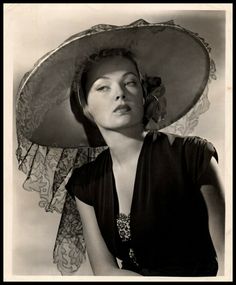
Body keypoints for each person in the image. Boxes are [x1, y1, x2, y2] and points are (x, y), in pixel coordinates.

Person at [15, 19, 225, 276]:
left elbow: (228, 256)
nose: (120, 94)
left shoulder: (193, 156)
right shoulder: (86, 183)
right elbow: (105, 271)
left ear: (144, 94)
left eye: (130, 83)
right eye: (103, 87)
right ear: (85, 107)